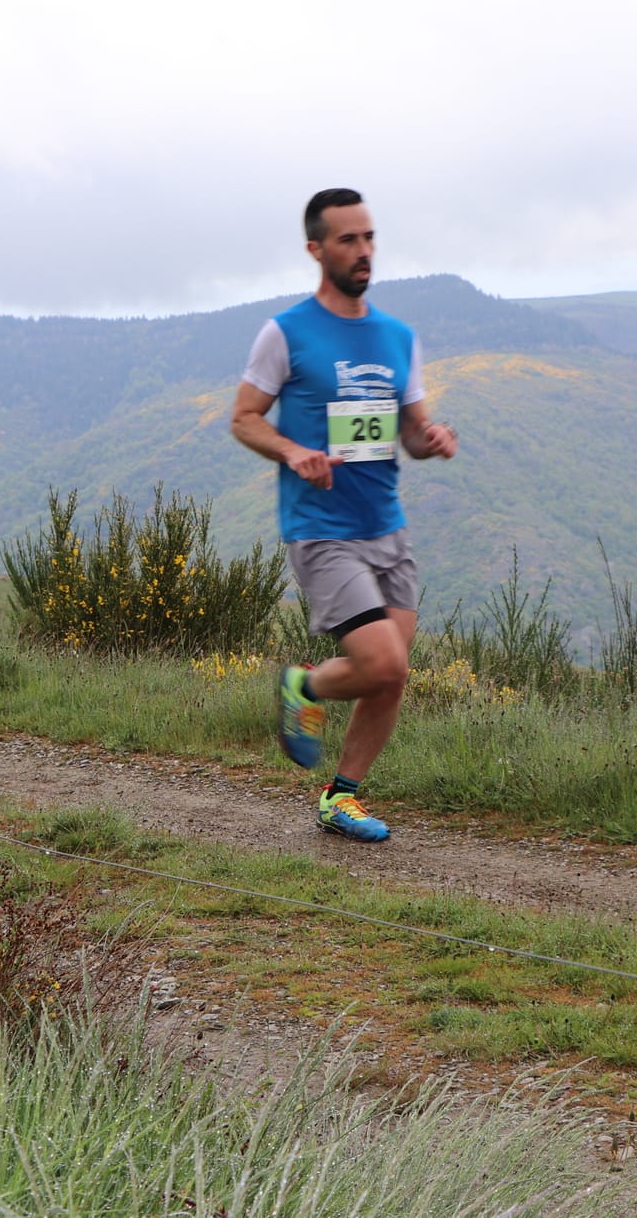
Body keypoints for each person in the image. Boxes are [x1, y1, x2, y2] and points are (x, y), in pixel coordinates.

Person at [229, 188, 458, 842]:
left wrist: (432, 439)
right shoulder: (285, 332)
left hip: (387, 525)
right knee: (384, 663)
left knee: (389, 678)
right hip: (322, 530)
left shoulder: (398, 337)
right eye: (348, 240)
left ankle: (340, 797)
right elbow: (244, 418)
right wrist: (293, 451)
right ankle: (303, 686)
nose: (363, 251)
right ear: (316, 249)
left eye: (369, 237)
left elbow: (410, 433)